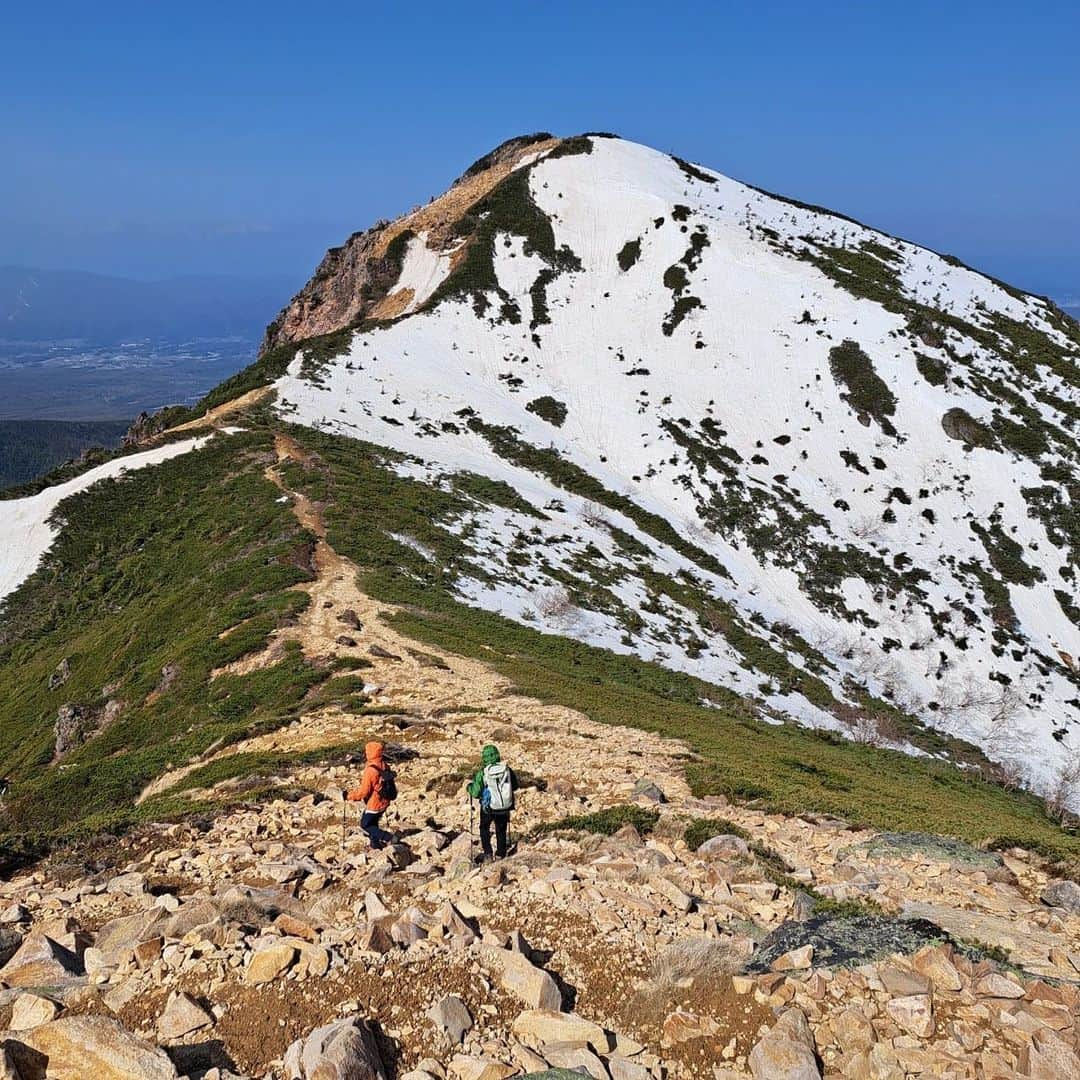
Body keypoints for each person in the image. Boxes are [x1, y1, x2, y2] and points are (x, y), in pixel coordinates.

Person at [466, 744, 517, 860]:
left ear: (484, 758)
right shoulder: (507, 769)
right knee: (501, 829)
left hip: (488, 807)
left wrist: (469, 787)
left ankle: (488, 853)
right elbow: (515, 786)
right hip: (504, 806)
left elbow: (475, 792)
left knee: (484, 828)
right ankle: (501, 854)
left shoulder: (483, 773)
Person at [347, 741, 396, 849]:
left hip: (374, 803)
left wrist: (351, 796)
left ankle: (387, 837)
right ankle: (375, 845)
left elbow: (364, 792)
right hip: (385, 800)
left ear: (370, 753)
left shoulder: (370, 770)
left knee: (365, 824)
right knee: (373, 822)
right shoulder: (384, 765)